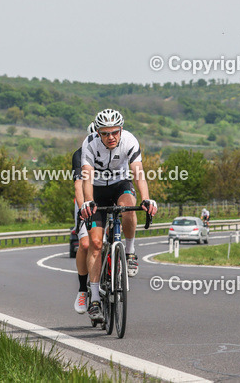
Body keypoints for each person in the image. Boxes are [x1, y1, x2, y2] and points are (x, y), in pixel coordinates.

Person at [79, 108, 157, 323]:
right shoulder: (90, 143)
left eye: (115, 132)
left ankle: (130, 252)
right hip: (97, 189)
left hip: (120, 184)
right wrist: (88, 201)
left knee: (129, 206)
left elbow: (138, 172)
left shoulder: (130, 140)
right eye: (105, 133)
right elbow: (87, 177)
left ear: (121, 130)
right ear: (98, 133)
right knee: (95, 243)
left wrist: (146, 199)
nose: (111, 137)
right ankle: (95, 300)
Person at [70, 122, 98, 314]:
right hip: (85, 201)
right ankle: (82, 290)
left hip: (105, 198)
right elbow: (78, 186)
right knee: (86, 244)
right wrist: (83, 209)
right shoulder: (80, 154)